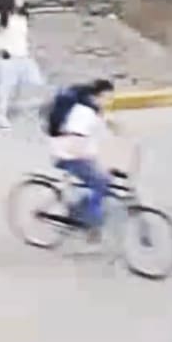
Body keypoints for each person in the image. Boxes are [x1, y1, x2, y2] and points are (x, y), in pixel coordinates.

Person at [48, 79, 115, 238]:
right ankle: (90, 220)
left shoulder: (94, 110)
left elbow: (108, 126)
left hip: (79, 154)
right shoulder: (84, 112)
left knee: (103, 180)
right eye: (106, 97)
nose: (109, 101)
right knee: (100, 182)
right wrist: (87, 158)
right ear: (95, 96)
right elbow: (76, 137)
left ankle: (79, 210)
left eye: (111, 98)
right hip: (69, 155)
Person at [0, 0, 45, 129]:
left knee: (36, 83)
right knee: (5, 89)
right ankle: (0, 117)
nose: (22, 0)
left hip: (24, 56)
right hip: (7, 58)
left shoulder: (22, 17)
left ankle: (30, 112)